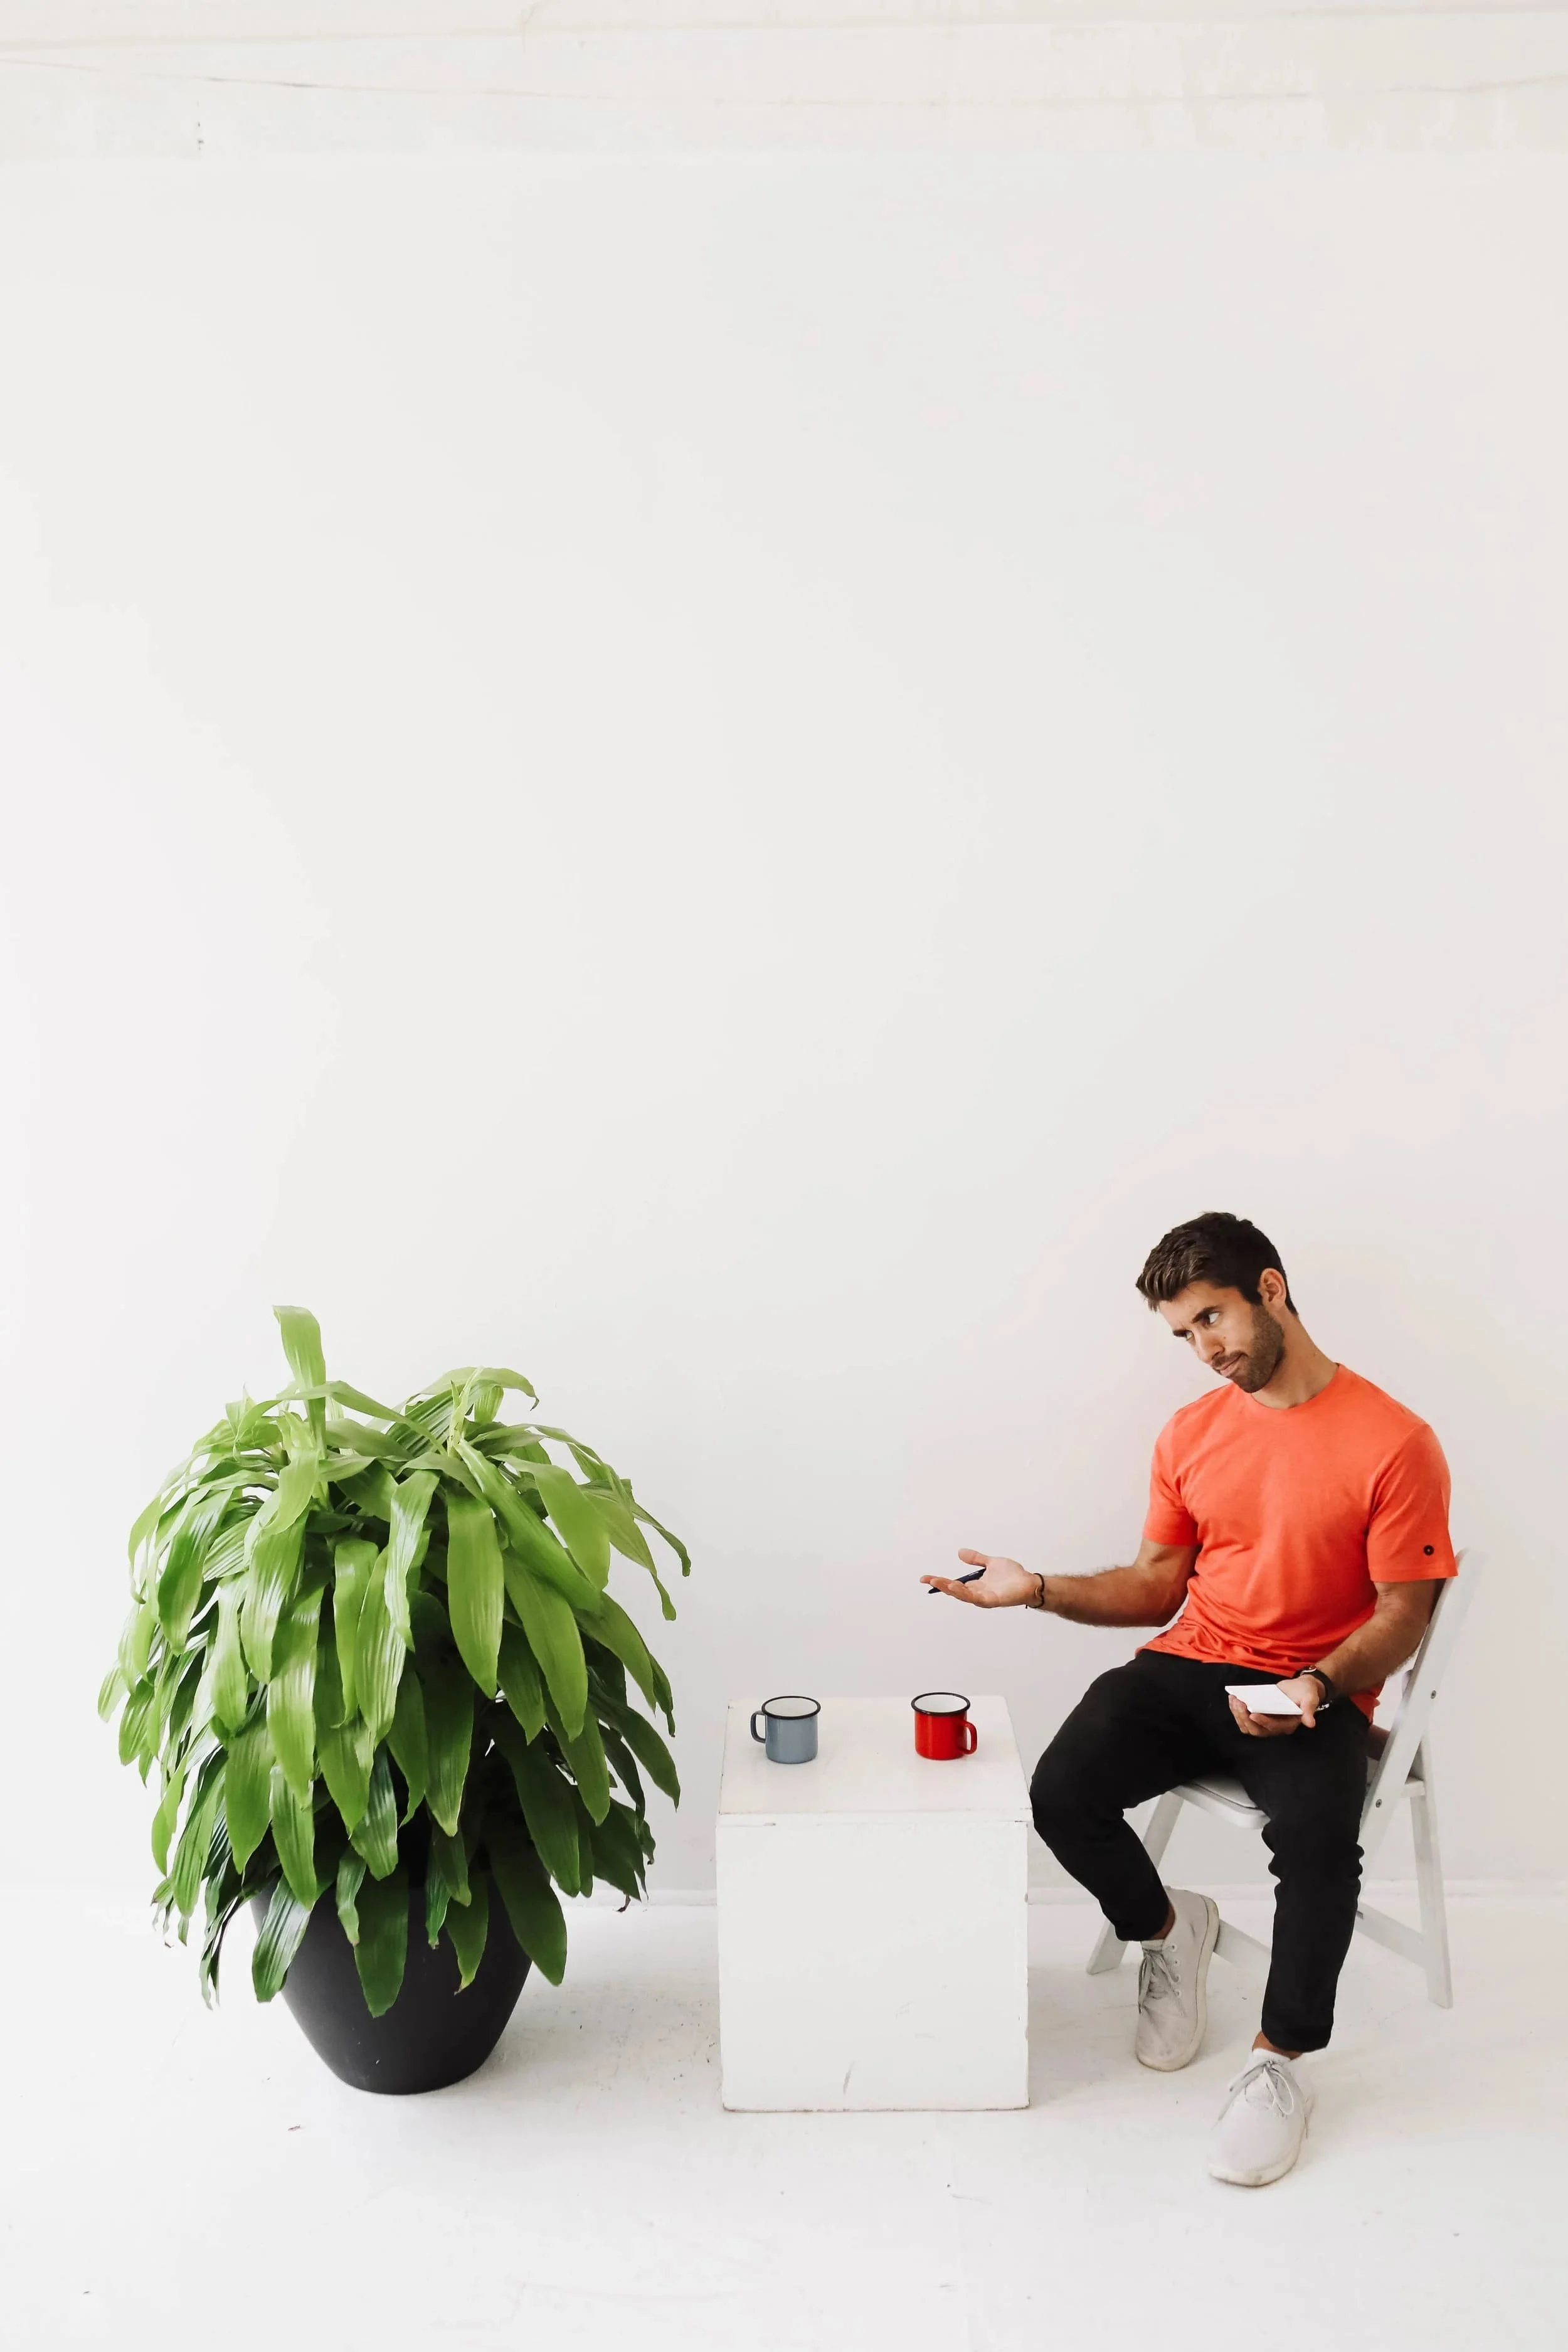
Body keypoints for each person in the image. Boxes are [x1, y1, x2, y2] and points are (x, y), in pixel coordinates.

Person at [923, 1211, 1456, 2187]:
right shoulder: (1192, 1431)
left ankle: (1279, 2062)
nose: (1206, 1350)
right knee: (1061, 1788)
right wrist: (1034, 1586)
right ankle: (1171, 1933)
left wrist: (1316, 1683)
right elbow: (1154, 1585)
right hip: (1194, 1661)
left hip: (1314, 1689)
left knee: (1318, 1848)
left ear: (1272, 1288)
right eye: (1184, 1334)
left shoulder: (1395, 1440)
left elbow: (1401, 1614)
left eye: (1213, 1318)